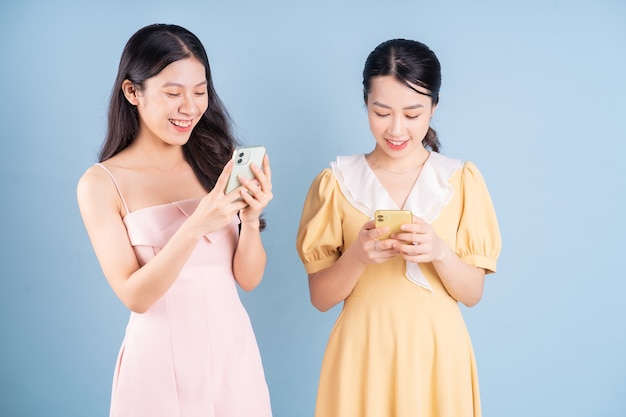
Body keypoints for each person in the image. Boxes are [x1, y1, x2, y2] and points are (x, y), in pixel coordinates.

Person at [296, 39, 501, 417]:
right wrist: (357, 257)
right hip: (363, 350)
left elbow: (472, 294)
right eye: (381, 112)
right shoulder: (337, 181)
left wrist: (439, 251)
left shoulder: (459, 179)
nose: (396, 129)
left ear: (434, 107)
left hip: (439, 351)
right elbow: (321, 298)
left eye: (413, 114)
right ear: (365, 102)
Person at [77, 24, 273, 417]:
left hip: (233, 356)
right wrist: (197, 224)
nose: (190, 107)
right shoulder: (101, 183)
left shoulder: (214, 161)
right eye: (173, 93)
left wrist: (250, 221)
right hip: (157, 366)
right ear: (133, 92)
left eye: (199, 92)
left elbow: (248, 280)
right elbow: (136, 296)